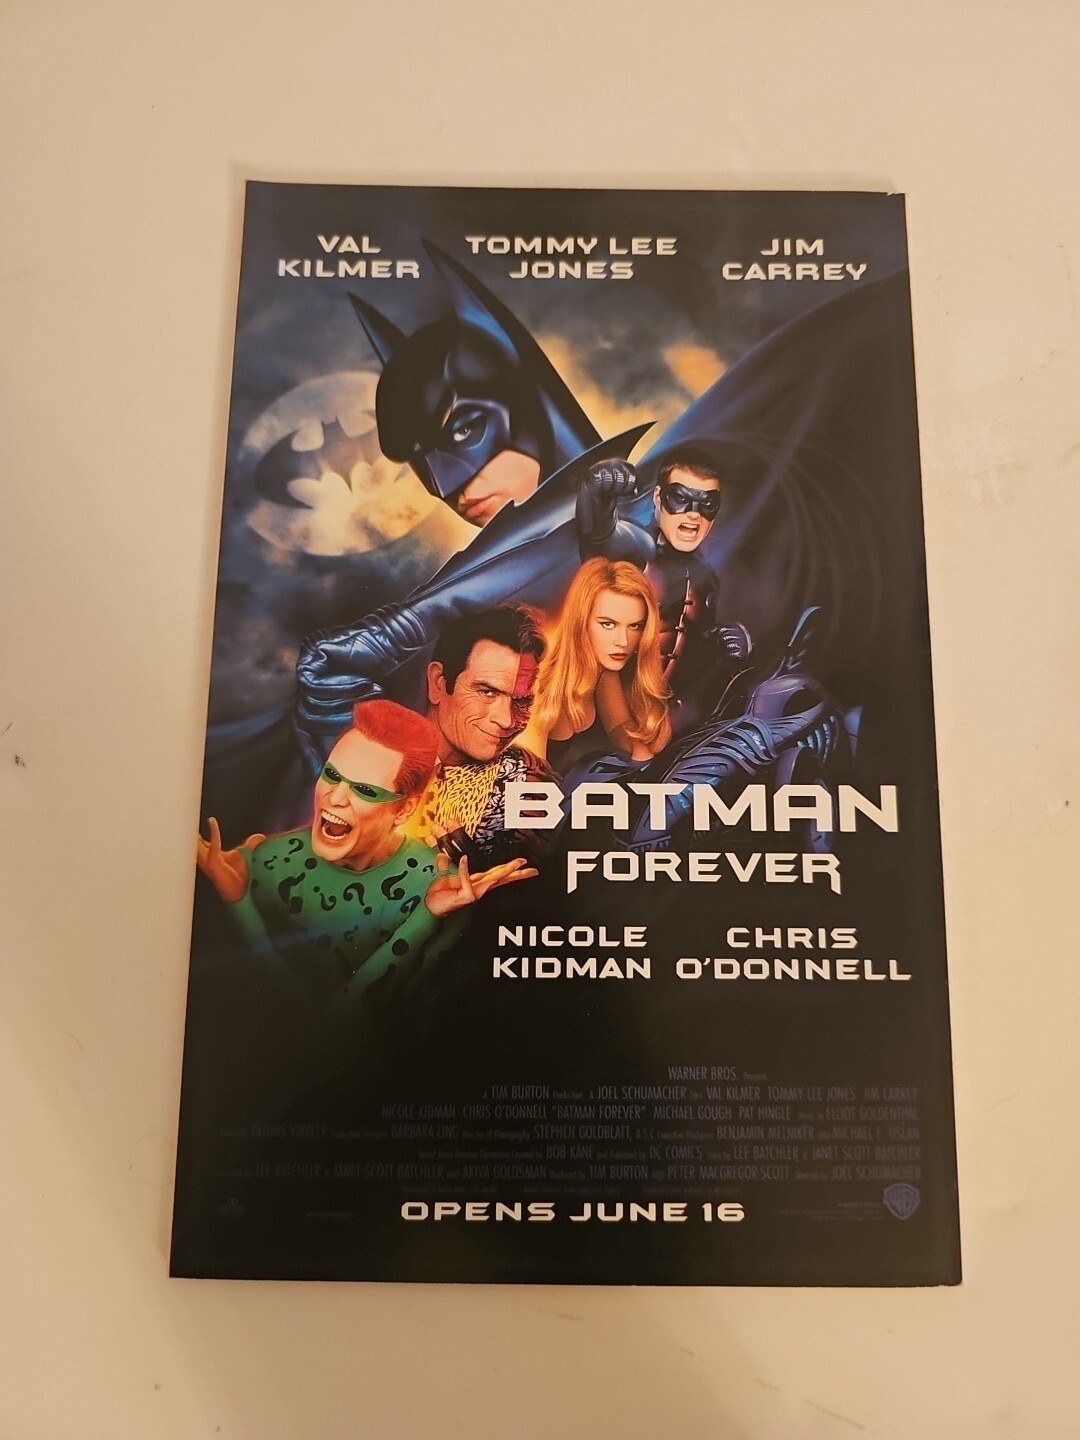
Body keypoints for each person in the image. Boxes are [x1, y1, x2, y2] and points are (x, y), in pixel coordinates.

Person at [196, 698, 533, 1007]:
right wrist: (236, 894)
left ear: (404, 810)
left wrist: (427, 915)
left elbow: (344, 1021)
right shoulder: (268, 861)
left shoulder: (444, 890)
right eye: (332, 775)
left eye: (364, 790)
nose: (335, 798)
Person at [405, 606, 555, 867]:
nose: (506, 720)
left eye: (522, 701)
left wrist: (478, 876)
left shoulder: (529, 780)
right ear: (439, 683)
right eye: (487, 692)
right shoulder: (373, 759)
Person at [528, 558, 671, 773]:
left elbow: (622, 731)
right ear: (581, 621)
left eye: (635, 626)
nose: (623, 641)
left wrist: (645, 760)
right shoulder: (539, 685)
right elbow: (529, 780)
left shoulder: (603, 672)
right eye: (608, 624)